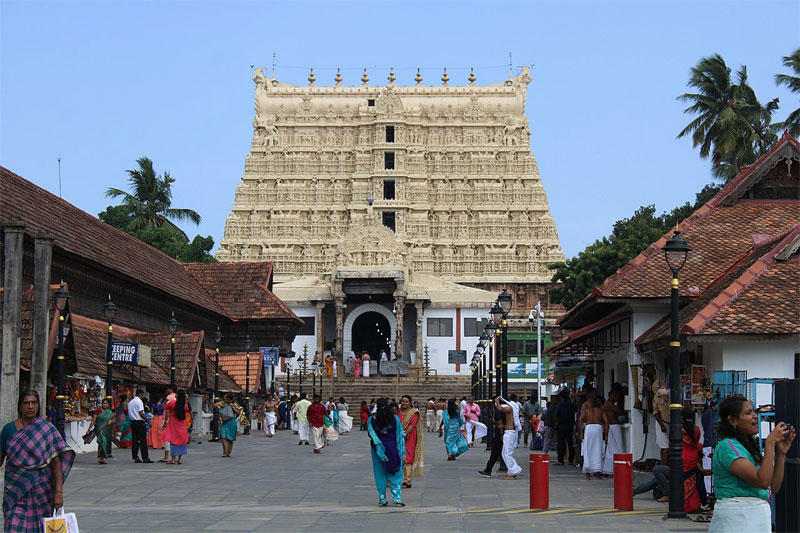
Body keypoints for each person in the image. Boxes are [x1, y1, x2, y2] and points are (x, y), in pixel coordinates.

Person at [709, 396, 795, 532]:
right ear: (732, 420)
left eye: (754, 411)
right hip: (737, 519)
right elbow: (762, 481)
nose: (755, 416)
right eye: (748, 413)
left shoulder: (749, 444)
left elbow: (774, 486)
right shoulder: (727, 447)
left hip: (755, 517)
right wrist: (770, 443)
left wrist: (780, 454)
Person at [1, 391, 75, 532]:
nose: (30, 406)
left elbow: (56, 462)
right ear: (20, 406)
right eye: (26, 403)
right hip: (15, 489)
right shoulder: (8, 430)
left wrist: (58, 493)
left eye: (34, 403)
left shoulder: (46, 429)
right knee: (13, 526)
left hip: (41, 490)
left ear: (38, 406)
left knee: (39, 527)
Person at [367, 398, 406, 507]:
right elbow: (399, 435)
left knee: (379, 473)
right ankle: (397, 498)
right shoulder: (395, 419)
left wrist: (379, 446)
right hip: (393, 447)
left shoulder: (371, 420)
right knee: (395, 472)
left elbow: (372, 435)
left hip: (377, 449)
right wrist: (401, 452)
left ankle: (382, 498)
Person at [398, 395, 424, 488]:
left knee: (407, 458)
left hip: (409, 437)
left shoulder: (413, 413)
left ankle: (407, 480)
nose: (404, 403)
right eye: (403, 401)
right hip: (397, 437)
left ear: (410, 403)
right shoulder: (397, 412)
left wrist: (404, 434)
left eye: (406, 401)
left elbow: (412, 425)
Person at [579, 396, 608, 479]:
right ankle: (598, 473)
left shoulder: (587, 411)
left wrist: (581, 432)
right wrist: (606, 435)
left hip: (589, 428)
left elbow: (580, 419)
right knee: (598, 450)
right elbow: (606, 422)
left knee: (588, 450)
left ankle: (587, 473)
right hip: (598, 428)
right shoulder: (601, 411)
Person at [495, 396, 523, 479]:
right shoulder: (511, 410)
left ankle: (513, 472)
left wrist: (497, 402)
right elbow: (509, 424)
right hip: (509, 432)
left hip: (510, 433)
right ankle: (514, 469)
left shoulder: (510, 408)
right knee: (505, 453)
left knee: (507, 453)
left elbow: (500, 409)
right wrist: (502, 426)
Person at [477, 404, 508, 477]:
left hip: (499, 435)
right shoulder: (505, 410)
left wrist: (501, 434)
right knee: (502, 453)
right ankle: (488, 469)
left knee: (497, 452)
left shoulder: (499, 411)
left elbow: (500, 422)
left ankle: (488, 469)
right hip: (504, 433)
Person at [601, 390, 625, 476]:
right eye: (615, 396)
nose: (616, 398)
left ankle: (609, 469)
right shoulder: (609, 404)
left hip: (612, 427)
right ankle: (612, 469)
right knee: (616, 448)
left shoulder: (607, 405)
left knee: (612, 448)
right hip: (613, 427)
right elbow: (619, 411)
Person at [162, 389, 190, 464]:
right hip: (182, 424)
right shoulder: (185, 404)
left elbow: (163, 407)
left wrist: (164, 401)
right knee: (181, 441)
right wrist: (186, 400)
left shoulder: (172, 403)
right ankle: (180, 459)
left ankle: (173, 459)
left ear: (177, 395)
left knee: (173, 440)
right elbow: (187, 409)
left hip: (173, 424)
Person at [85, 398, 114, 464]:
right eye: (103, 403)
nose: (105, 405)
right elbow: (93, 421)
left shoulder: (109, 412)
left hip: (106, 429)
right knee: (102, 441)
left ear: (108, 404)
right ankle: (103, 455)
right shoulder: (97, 412)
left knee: (104, 443)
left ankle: (101, 458)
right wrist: (89, 430)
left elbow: (112, 420)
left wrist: (111, 421)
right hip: (99, 429)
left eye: (106, 403)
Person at [128, 389, 153, 463]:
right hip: (139, 422)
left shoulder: (131, 402)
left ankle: (135, 457)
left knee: (135, 440)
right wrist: (148, 421)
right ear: (141, 394)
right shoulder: (139, 402)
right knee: (142, 440)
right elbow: (141, 413)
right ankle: (145, 457)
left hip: (132, 422)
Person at [215, 393, 242, 457]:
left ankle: (229, 451)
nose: (225, 399)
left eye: (227, 398)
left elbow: (238, 412)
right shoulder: (222, 403)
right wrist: (218, 406)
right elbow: (215, 405)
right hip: (224, 422)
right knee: (224, 436)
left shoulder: (235, 405)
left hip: (232, 422)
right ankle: (225, 452)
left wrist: (232, 407)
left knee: (230, 437)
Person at [553, 389, 576, 465]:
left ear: (561, 397)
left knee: (561, 444)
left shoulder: (559, 405)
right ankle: (571, 459)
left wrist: (554, 424)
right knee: (570, 443)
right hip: (570, 426)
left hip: (561, 426)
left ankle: (561, 459)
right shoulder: (571, 405)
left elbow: (555, 416)